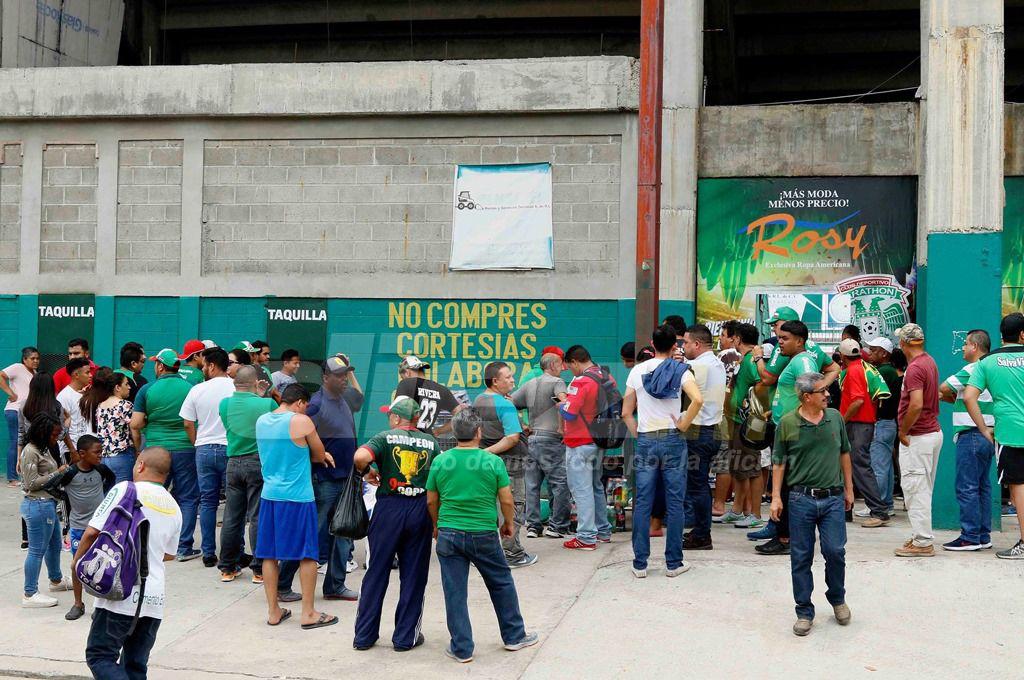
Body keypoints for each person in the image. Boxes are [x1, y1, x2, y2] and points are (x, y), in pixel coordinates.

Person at [426, 409, 539, 663]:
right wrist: (507, 523)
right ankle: (514, 636)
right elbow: (507, 499)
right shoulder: (492, 461)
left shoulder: (441, 461)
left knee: (454, 591)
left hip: (449, 532)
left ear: (454, 433)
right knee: (501, 583)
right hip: (484, 533)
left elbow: (432, 499)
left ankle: (461, 648)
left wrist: (436, 525)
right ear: (479, 433)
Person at [80, 448, 183, 678]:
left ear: (140, 465)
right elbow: (169, 554)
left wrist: (78, 563)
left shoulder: (124, 489)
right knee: (135, 666)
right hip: (153, 598)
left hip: (120, 593)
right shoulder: (175, 507)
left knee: (100, 655)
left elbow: (91, 533)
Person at [769, 372, 853, 637]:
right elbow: (779, 461)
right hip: (800, 499)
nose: (828, 395)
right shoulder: (788, 423)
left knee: (835, 551)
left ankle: (837, 598)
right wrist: (776, 497)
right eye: (822, 391)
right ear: (807, 397)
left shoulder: (835, 418)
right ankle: (804, 610)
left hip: (833, 498)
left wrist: (849, 490)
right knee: (801, 556)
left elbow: (844, 453)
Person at [353, 396, 440, 651]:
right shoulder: (432, 442)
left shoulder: (385, 437)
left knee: (376, 572)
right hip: (419, 509)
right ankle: (405, 638)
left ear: (396, 418)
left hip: (389, 508)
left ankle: (364, 637)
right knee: (413, 575)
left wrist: (368, 470)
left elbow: (359, 456)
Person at [622, 325, 704, 577]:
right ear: (674, 347)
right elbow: (698, 400)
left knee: (643, 501)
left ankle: (640, 564)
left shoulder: (637, 371)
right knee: (675, 501)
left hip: (647, 438)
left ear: (651, 343)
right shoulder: (681, 370)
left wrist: (638, 433)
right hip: (672, 438)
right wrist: (683, 423)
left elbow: (626, 411)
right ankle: (673, 563)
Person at [752, 319, 839, 556]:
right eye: (779, 338)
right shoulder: (797, 359)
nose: (779, 342)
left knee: (790, 485)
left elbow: (814, 388)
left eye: (785, 339)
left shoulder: (802, 360)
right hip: (787, 425)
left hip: (794, 430)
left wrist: (803, 415)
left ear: (799, 341)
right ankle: (784, 534)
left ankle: (786, 538)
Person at [278, 355, 361, 602]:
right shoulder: (316, 404)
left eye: (346, 374)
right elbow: (295, 434)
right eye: (339, 375)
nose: (344, 379)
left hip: (345, 479)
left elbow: (359, 399)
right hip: (324, 481)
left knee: (344, 533)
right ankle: (283, 584)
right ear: (325, 378)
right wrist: (318, 455)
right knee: (309, 533)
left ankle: (335, 585)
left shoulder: (343, 400)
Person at [255, 384, 338, 630]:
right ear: (300, 402)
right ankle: (309, 613)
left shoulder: (262, 421)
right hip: (298, 497)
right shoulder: (301, 422)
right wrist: (321, 456)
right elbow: (318, 453)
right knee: (307, 554)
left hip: (270, 495)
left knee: (269, 554)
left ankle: (273, 611)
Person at [963, 313, 1024, 559]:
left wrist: (983, 428)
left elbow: (968, 397)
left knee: (1019, 487)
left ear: (1001, 336)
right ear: (1022, 335)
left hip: (1009, 433)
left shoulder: (987, 362)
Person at [130, 349, 199, 560]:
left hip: (156, 450)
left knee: (150, 494)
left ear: (160, 366)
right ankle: (183, 547)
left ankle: (149, 543)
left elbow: (136, 423)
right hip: (185, 448)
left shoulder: (147, 389)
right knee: (187, 497)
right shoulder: (191, 389)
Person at [474, 362, 537, 565]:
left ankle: (483, 555)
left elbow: (493, 429)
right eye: (508, 377)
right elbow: (511, 438)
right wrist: (486, 452)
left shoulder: (480, 399)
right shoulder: (505, 404)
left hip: (489, 467)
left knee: (488, 510)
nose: (513, 380)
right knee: (512, 508)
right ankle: (513, 555)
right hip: (510, 465)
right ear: (495, 381)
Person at [218, 366, 276, 583]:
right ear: (255, 382)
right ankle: (259, 569)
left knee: (232, 517)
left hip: (233, 462)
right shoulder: (266, 403)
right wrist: (262, 396)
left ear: (235, 383)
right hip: (257, 462)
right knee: (257, 516)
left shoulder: (224, 404)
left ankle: (227, 567)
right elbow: (275, 421)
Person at [179, 347, 236, 567]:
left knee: (208, 502)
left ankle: (208, 552)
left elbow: (187, 422)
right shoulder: (235, 388)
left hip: (203, 448)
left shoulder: (197, 390)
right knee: (233, 502)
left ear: (212, 366)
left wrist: (196, 442)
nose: (202, 369)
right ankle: (233, 550)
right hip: (230, 448)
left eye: (203, 365)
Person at [940, 329, 996, 551]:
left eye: (965, 344)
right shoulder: (992, 367)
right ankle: (983, 534)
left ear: (974, 346)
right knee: (983, 486)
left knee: (967, 486)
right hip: (989, 433)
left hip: (970, 432)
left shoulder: (971, 369)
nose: (962, 348)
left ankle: (970, 536)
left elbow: (944, 387)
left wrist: (954, 398)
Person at [892, 323, 942, 558]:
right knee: (923, 487)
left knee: (915, 488)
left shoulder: (914, 369)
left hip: (918, 436)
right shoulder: (929, 361)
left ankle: (922, 541)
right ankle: (921, 536)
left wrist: (903, 431)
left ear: (903, 343)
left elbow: (916, 404)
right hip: (931, 433)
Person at [51, 434, 113, 620]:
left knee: (102, 565)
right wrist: (66, 498)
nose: (100, 456)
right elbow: (51, 486)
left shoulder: (101, 470)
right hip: (79, 528)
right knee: (77, 566)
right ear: (82, 454)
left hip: (101, 527)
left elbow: (112, 480)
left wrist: (105, 499)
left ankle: (101, 605)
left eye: (101, 452)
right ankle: (78, 604)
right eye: (97, 452)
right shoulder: (70, 473)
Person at [560, 346, 614, 552]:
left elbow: (570, 414)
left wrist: (562, 403)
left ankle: (586, 537)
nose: (569, 370)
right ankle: (603, 531)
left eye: (569, 365)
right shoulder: (606, 376)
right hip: (599, 439)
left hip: (579, 441)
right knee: (595, 486)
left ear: (575, 362)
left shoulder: (581, 381)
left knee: (581, 490)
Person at [510, 353, 570, 539]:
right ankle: (557, 526)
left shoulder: (530, 383)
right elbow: (563, 403)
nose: (563, 368)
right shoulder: (557, 382)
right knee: (560, 482)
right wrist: (562, 428)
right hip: (551, 439)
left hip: (532, 439)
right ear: (552, 365)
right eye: (560, 364)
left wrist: (522, 425)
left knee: (532, 485)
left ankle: (533, 527)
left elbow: (508, 404)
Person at [681, 324, 727, 552]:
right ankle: (700, 531)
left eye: (686, 343)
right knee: (700, 485)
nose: (683, 347)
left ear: (697, 344)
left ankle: (701, 535)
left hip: (698, 432)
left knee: (697, 486)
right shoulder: (717, 363)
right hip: (713, 429)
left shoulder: (696, 366)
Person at [19, 413, 72, 607]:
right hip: (37, 505)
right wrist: (57, 472)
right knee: (36, 551)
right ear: (43, 433)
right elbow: (30, 483)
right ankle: (30, 593)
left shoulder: (44, 449)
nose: (55, 439)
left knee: (54, 545)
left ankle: (56, 579)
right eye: (53, 434)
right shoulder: (30, 451)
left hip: (47, 504)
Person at [836, 339, 891, 527]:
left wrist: (842, 421)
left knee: (859, 467)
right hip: (862, 423)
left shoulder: (853, 371)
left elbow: (858, 401)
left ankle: (879, 511)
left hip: (858, 424)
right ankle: (846, 510)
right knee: (849, 466)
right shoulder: (863, 366)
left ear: (843, 356)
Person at [718, 323, 764, 527]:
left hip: (750, 422)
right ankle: (737, 510)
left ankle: (755, 514)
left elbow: (761, 383)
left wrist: (751, 409)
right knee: (738, 466)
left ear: (737, 339)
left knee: (752, 467)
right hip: (737, 420)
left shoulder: (751, 361)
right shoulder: (743, 360)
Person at [862, 337, 901, 518]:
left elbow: (873, 396)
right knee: (885, 465)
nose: (870, 353)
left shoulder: (884, 372)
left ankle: (876, 505)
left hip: (882, 423)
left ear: (884, 353)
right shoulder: (889, 371)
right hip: (888, 423)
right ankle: (886, 503)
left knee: (878, 466)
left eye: (874, 350)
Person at [82, 369, 136, 484]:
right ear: (117, 387)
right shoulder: (125, 405)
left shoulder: (101, 405)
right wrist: (138, 448)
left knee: (108, 494)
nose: (129, 387)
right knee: (123, 493)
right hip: (122, 455)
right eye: (126, 384)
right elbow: (134, 428)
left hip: (104, 457)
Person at [394, 355, 463, 436]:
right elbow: (460, 414)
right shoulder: (441, 389)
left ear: (407, 373)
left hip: (408, 436)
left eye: (402, 377)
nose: (403, 379)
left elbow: (396, 413)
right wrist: (438, 431)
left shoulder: (405, 384)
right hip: (428, 440)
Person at [1, 346, 40, 485]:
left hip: (27, 413)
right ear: (24, 359)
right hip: (14, 410)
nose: (36, 361)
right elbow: (0, 375)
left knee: (24, 443)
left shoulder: (35, 374)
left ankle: (22, 475)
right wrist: (11, 393)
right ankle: (12, 478)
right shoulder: (17, 367)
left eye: (37, 358)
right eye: (32, 358)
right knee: (15, 442)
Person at [56, 357, 96, 462]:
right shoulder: (64, 397)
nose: (91, 375)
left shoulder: (86, 394)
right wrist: (72, 451)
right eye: (87, 372)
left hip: (87, 449)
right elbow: (62, 427)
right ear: (76, 375)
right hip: (72, 452)